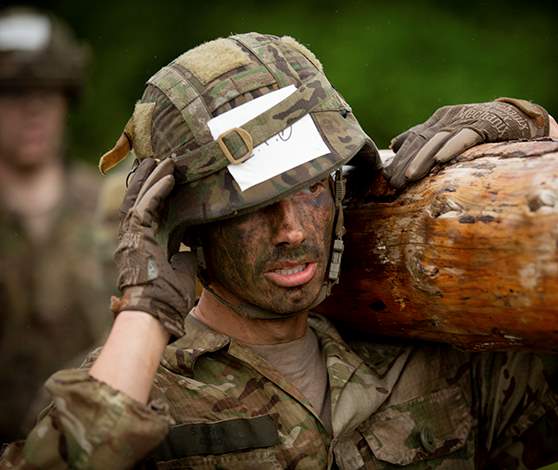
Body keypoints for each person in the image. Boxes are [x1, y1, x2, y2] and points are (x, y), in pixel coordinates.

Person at [2, 32, 558, 469]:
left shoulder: (427, 364)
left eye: (313, 189)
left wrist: (532, 135)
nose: (292, 231)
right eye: (249, 207)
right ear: (192, 226)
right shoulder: (147, 390)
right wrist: (146, 306)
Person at [0, 7, 110, 442]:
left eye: (50, 92)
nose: (35, 110)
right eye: (14, 93)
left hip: (96, 448)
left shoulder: (116, 211)